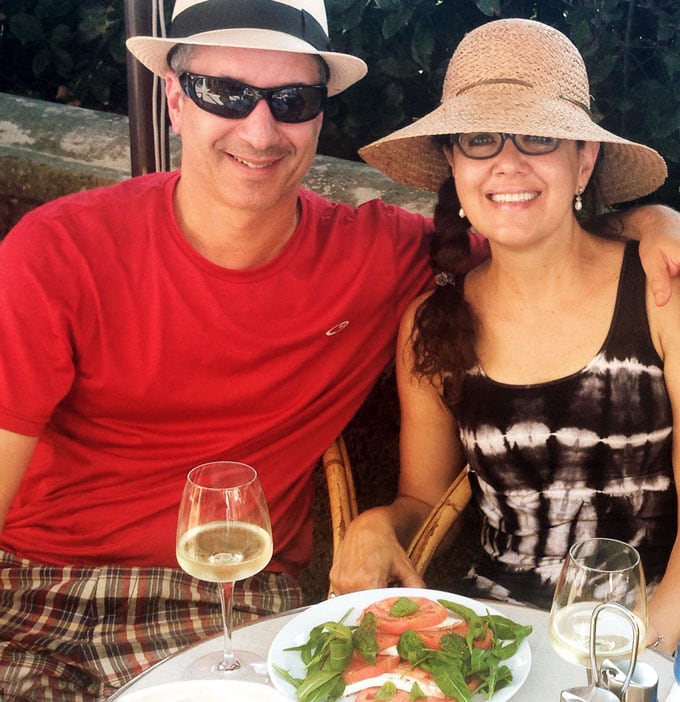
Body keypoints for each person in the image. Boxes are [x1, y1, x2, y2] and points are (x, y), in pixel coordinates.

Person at [0, 3, 678, 699]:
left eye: (292, 100)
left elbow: (536, 234)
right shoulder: (58, 254)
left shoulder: (384, 258)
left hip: (220, 605)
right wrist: (381, 520)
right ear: (174, 97)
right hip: (30, 585)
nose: (259, 130)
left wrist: (655, 223)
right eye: (225, 93)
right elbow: (520, 219)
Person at [329, 18, 680, 656]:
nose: (508, 164)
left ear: (585, 159)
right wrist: (378, 524)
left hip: (654, 616)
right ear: (454, 166)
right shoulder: (432, 325)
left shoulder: (661, 290)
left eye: (539, 137)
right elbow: (424, 497)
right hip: (494, 631)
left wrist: (646, 643)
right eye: (481, 140)